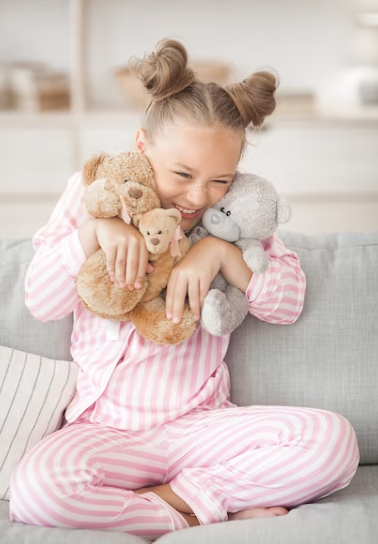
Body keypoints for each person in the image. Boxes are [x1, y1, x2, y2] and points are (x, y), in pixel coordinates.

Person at [9, 39, 359, 541]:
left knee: (333, 443)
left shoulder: (236, 215)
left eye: (220, 178)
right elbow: (41, 303)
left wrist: (217, 254)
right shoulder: (94, 195)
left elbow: (286, 304)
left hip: (201, 426)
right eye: (182, 174)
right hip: (105, 431)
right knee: (35, 492)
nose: (198, 196)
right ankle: (194, 513)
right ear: (141, 145)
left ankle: (177, 499)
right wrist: (95, 233)